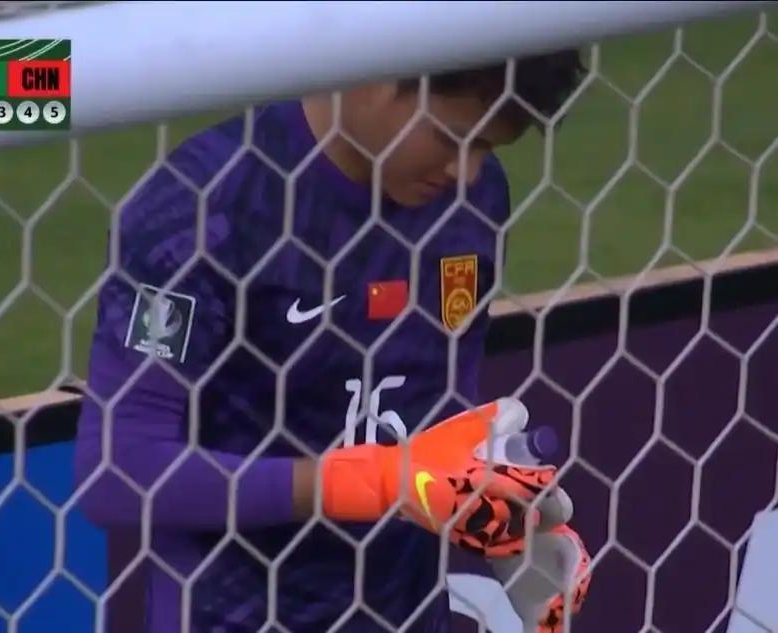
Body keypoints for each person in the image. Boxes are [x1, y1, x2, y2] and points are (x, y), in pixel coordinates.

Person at [74, 49, 590, 633]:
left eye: (488, 148)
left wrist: (505, 528)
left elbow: (438, 422)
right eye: (451, 138)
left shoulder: (474, 204)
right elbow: (118, 471)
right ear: (372, 74)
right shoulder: (202, 207)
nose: (466, 172)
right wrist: (368, 482)